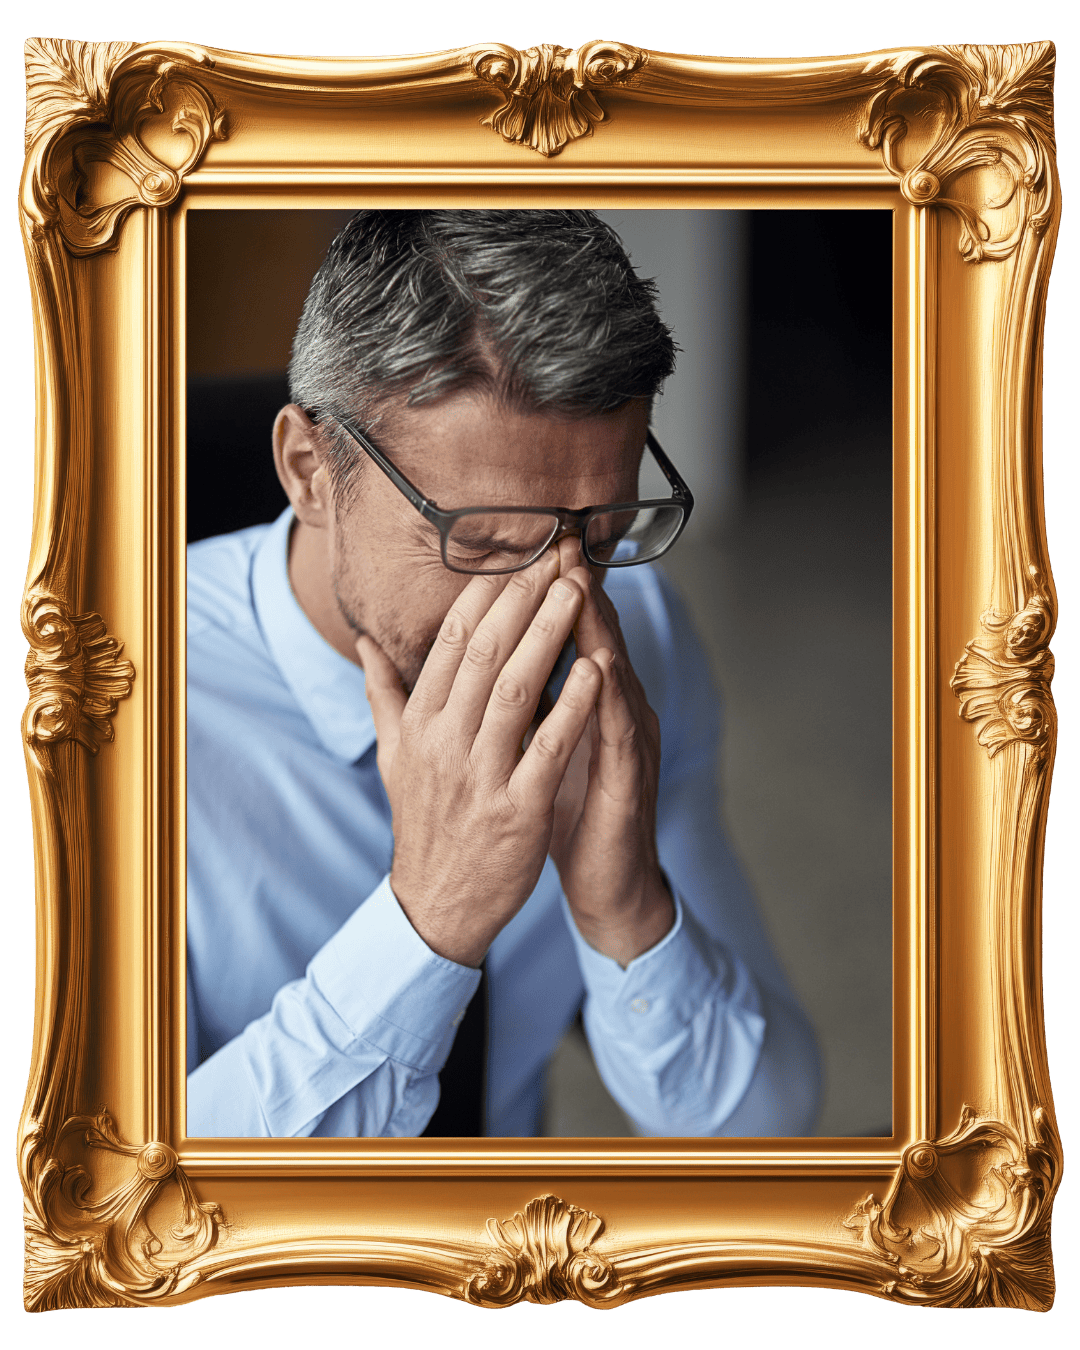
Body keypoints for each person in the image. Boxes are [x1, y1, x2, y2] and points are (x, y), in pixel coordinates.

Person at [186, 209, 821, 1138]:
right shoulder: (99, 707)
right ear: (309, 470)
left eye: (598, 537)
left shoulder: (633, 628)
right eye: (479, 541)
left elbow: (766, 1138)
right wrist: (431, 921)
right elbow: (104, 1207)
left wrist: (630, 911)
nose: (553, 610)